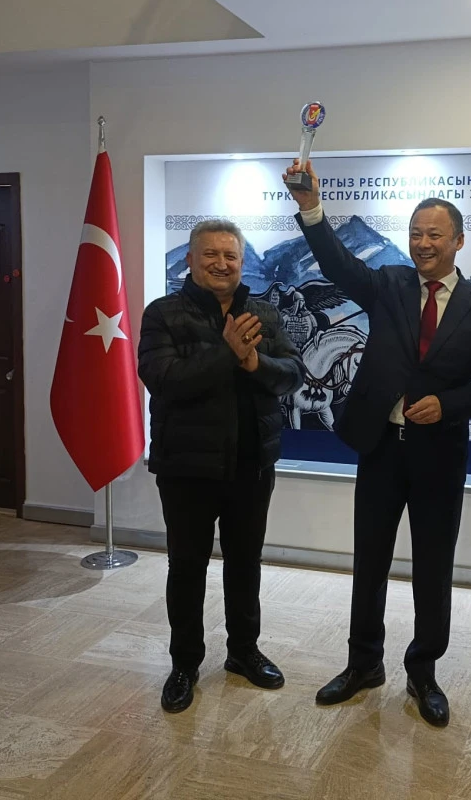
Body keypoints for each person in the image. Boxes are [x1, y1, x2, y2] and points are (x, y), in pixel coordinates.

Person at [284, 159, 471, 727]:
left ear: (459, 241)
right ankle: (363, 663)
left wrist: (449, 404)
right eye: (415, 233)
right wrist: (312, 208)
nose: (423, 244)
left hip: (440, 454)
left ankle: (423, 671)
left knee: (433, 566)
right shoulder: (388, 283)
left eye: (435, 235)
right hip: (382, 447)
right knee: (370, 561)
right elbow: (337, 264)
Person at [138, 219, 306, 714]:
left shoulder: (264, 313)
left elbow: (293, 374)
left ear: (241, 262)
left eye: (230, 255)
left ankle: (243, 651)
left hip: (252, 465)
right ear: (190, 260)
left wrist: (256, 364)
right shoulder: (163, 314)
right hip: (186, 467)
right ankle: (184, 664)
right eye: (210, 254)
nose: (220, 263)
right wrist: (227, 353)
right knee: (187, 566)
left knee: (245, 563)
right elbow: (163, 378)